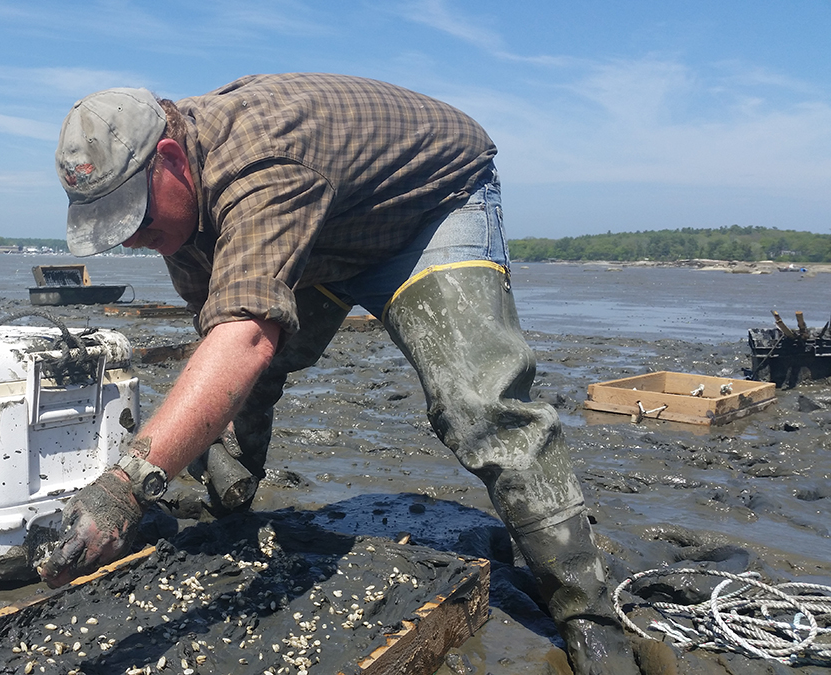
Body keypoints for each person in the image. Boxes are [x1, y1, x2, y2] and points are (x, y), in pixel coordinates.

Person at [39, 73, 649, 674]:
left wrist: (125, 487)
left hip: (426, 205)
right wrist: (208, 451)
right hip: (328, 227)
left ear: (169, 160)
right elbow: (220, 339)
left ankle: (588, 616)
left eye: (139, 220)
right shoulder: (186, 216)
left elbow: (245, 335)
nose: (137, 241)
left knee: (479, 404)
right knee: (244, 361)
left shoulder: (262, 164)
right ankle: (235, 503)